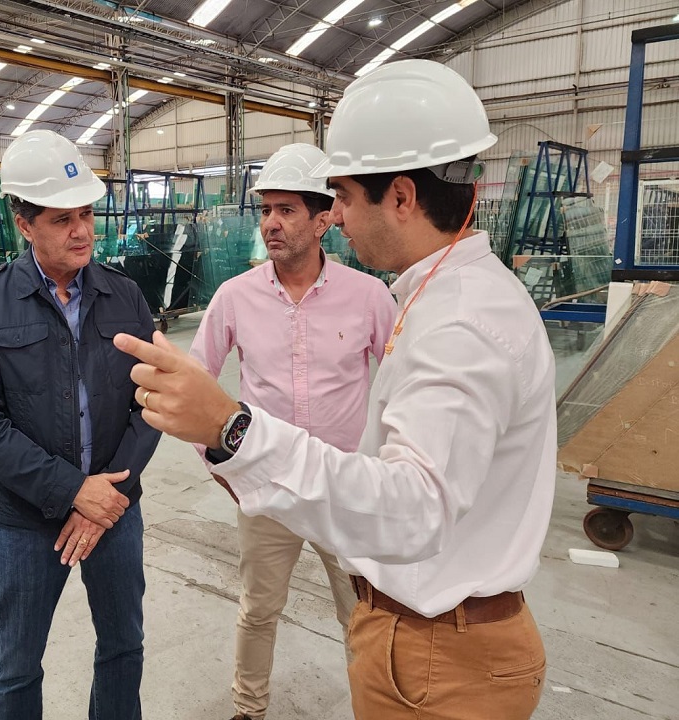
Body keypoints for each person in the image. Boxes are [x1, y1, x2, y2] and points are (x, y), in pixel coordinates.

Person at [115, 59, 555, 720]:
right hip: (395, 595)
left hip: (433, 647)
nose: (340, 215)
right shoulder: (438, 297)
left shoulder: (456, 320)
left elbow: (413, 509)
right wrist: (231, 458)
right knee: (259, 607)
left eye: (343, 196)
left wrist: (236, 433)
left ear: (401, 196)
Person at [0, 129, 160, 720]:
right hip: (25, 519)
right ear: (25, 224)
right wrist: (74, 491)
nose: (82, 230)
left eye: (86, 214)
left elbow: (152, 401)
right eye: (62, 219)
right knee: (17, 666)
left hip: (114, 507)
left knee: (123, 646)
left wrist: (106, 496)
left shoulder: (124, 296)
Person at [189, 142, 395, 720]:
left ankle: (374, 709)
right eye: (265, 210)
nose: (271, 224)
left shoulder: (369, 296)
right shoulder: (236, 297)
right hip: (267, 485)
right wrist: (221, 465)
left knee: (361, 613)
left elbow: (402, 384)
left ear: (323, 219)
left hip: (344, 487)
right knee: (258, 609)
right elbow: (194, 383)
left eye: (286, 210)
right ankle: (248, 709)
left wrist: (387, 466)